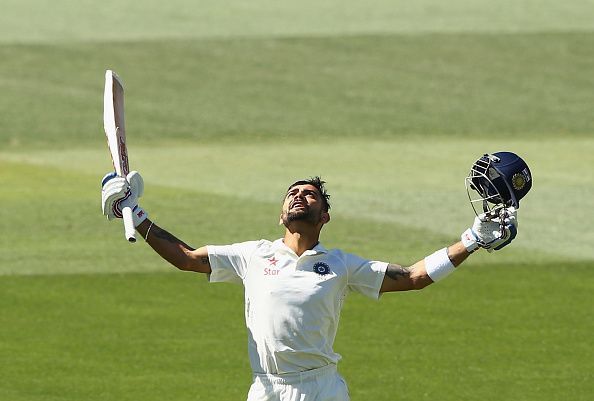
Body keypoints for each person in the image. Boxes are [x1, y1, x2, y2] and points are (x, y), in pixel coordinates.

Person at [101, 172, 518, 401]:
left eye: (310, 194)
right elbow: (187, 258)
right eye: (292, 193)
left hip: (321, 387)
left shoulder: (340, 265)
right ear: (282, 211)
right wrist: (134, 213)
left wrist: (471, 240)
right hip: (266, 386)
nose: (299, 196)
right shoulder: (252, 254)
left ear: (324, 217)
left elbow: (413, 278)